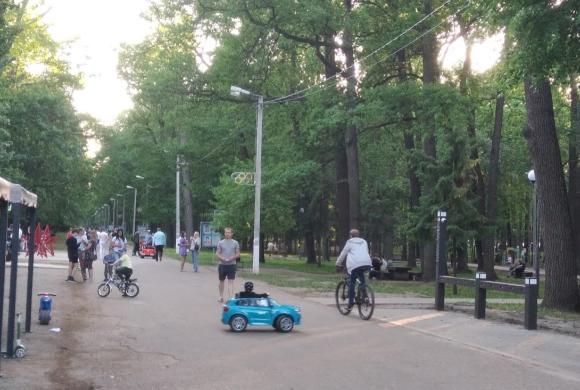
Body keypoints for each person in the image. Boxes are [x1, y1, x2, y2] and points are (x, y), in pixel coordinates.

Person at [335, 229, 372, 312]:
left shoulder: (350, 242)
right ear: (358, 235)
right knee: (362, 281)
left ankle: (350, 304)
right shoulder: (364, 241)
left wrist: (338, 263)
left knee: (352, 282)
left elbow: (343, 254)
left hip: (355, 265)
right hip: (366, 263)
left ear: (350, 235)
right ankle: (365, 297)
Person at [216, 227, 240, 303]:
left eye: (229, 232)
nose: (227, 234)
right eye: (226, 232)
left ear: (232, 234)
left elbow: (238, 254)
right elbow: (217, 253)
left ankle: (230, 298)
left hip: (232, 265)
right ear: (224, 233)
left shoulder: (235, 242)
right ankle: (221, 296)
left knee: (231, 281)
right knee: (221, 281)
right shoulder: (220, 242)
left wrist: (232, 258)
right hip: (222, 265)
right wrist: (222, 258)